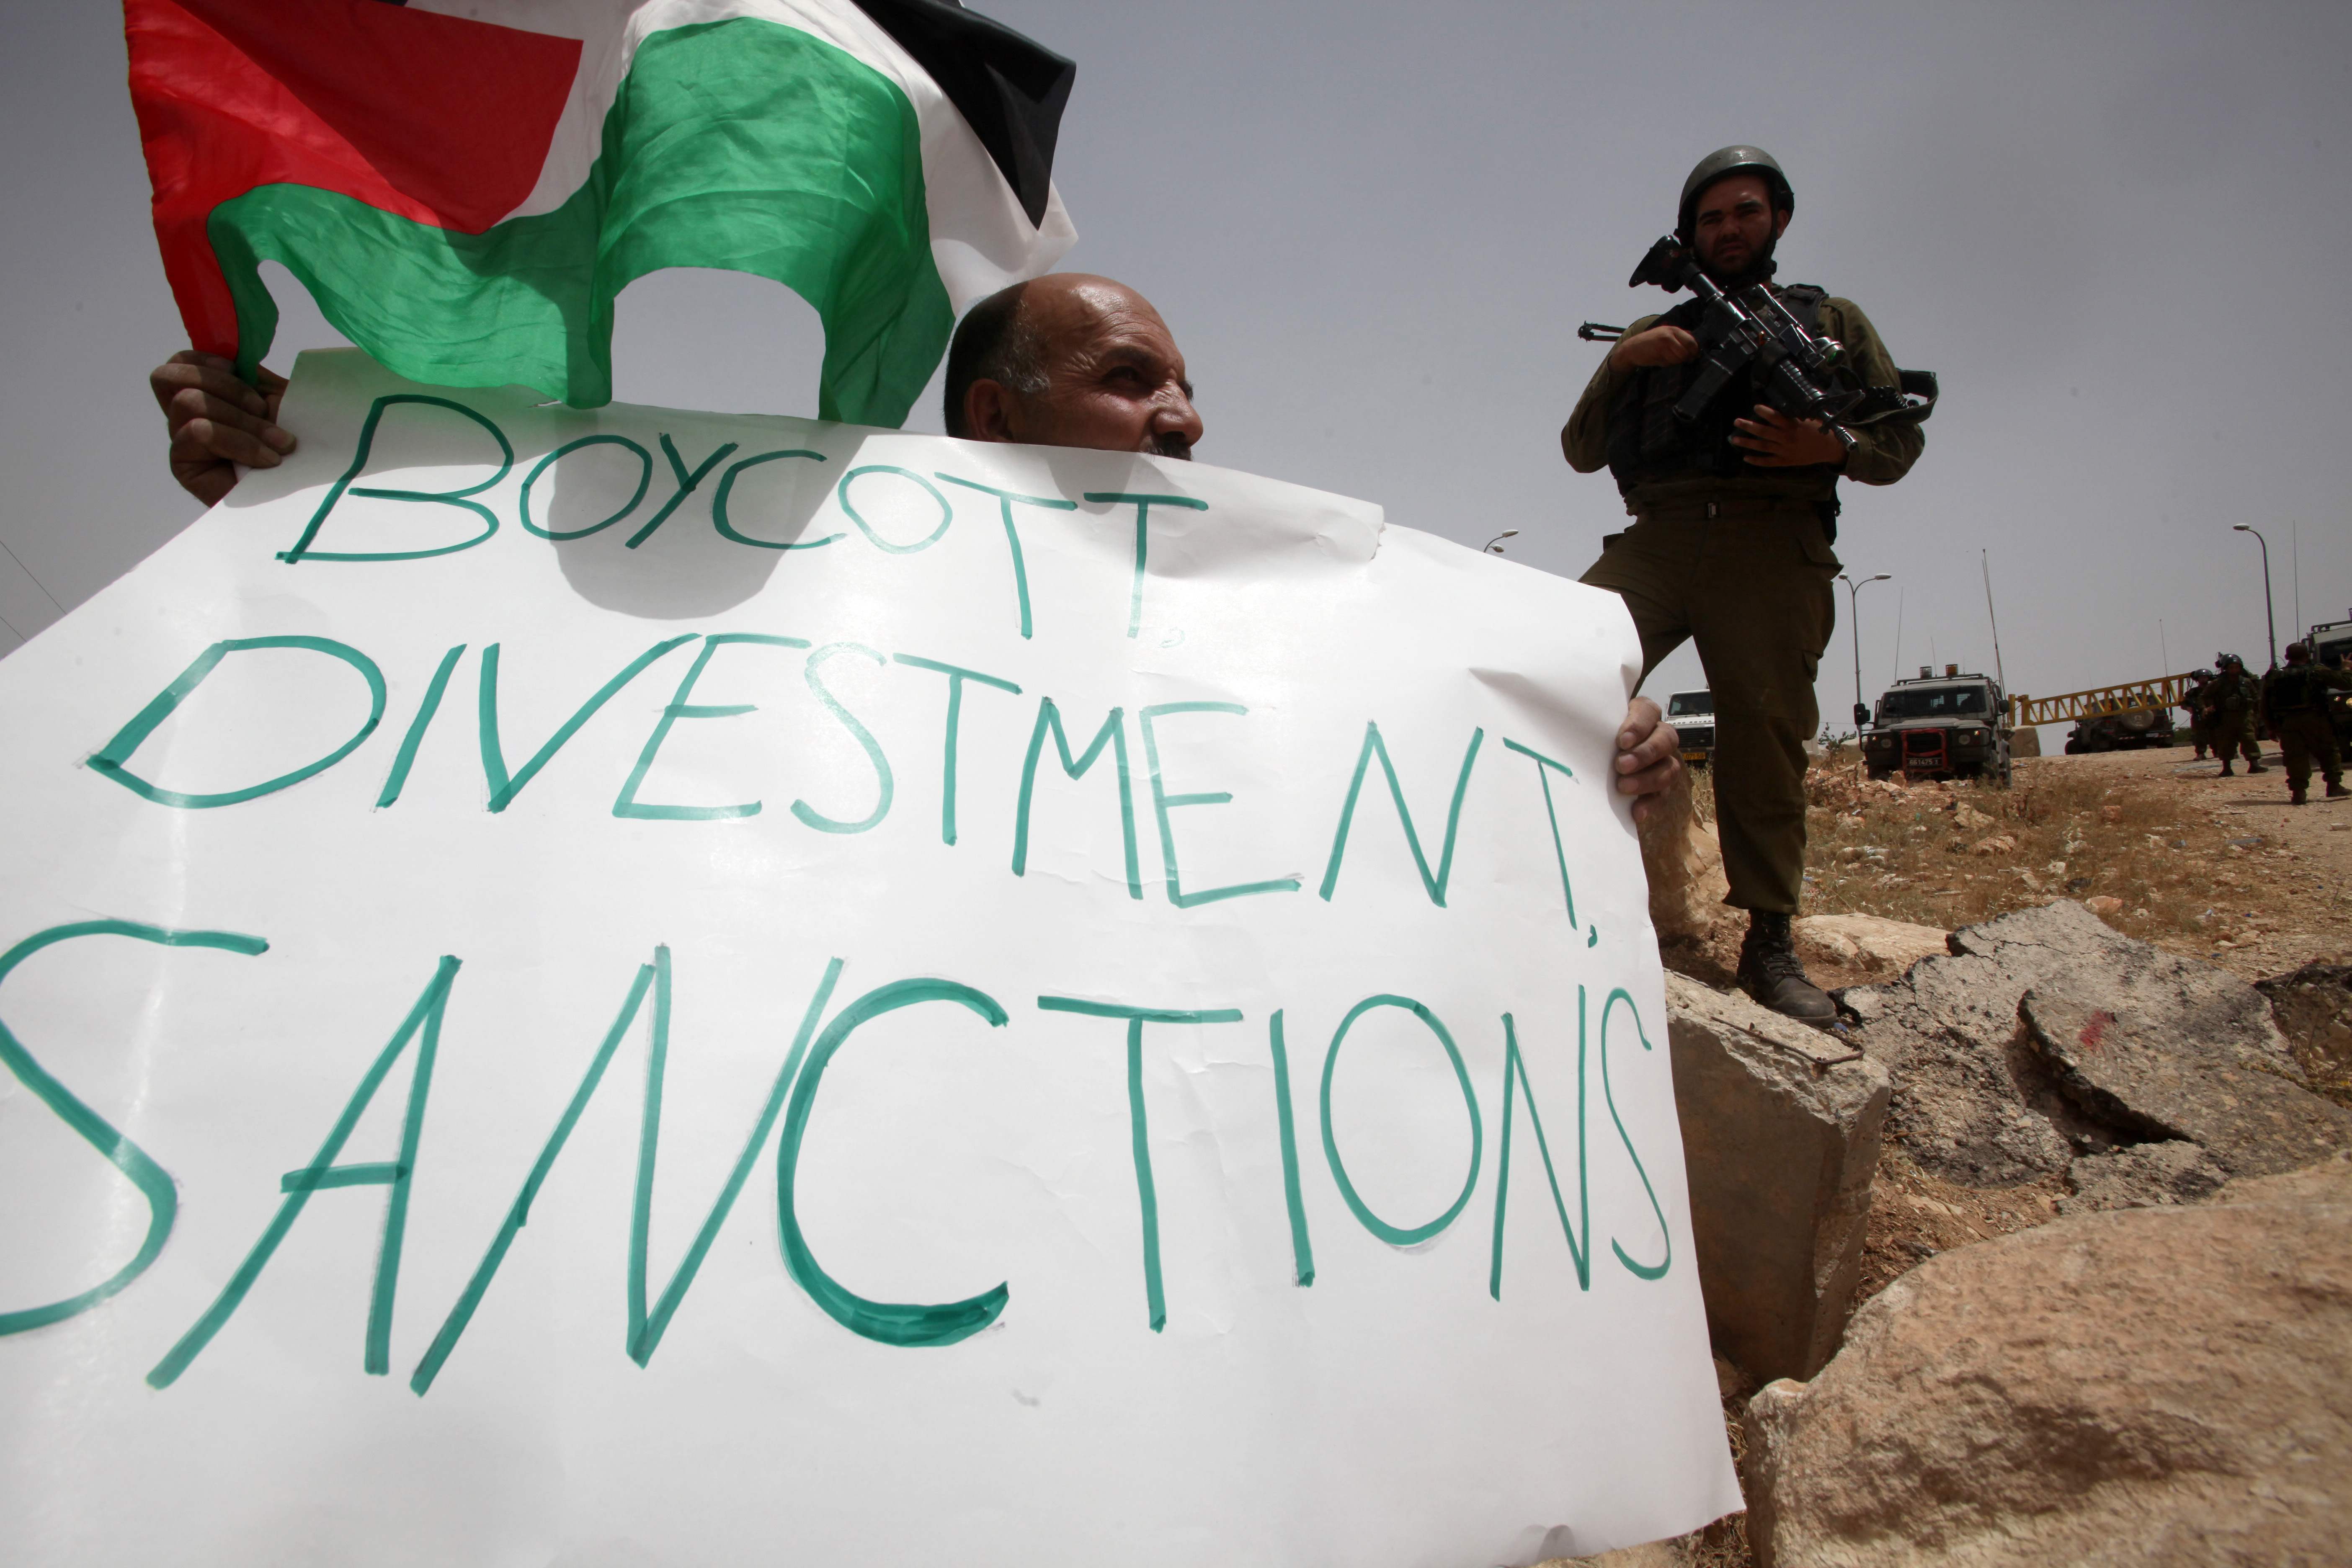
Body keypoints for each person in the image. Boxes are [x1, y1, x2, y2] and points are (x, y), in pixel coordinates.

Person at [150, 273, 1686, 820]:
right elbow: (537, 674)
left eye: (1188, 384)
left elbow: (1387, 764)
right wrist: (291, 491)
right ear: (995, 414)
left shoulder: (1260, 620)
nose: (1188, 421)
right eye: (1132, 380)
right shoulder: (814, 576)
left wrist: (1573, 738)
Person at [1560, 147, 1924, 1024]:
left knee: (1763, 738)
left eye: (1746, 213)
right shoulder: (1656, 335)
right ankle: (1539, 893)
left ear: (1779, 222)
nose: (1728, 230)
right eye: (1712, 218)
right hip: (1662, 536)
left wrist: (1829, 448)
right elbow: (1579, 450)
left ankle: (1768, 945)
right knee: (1554, 665)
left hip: (1769, 539)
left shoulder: (1832, 320)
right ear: (1690, 233)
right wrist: (1625, 364)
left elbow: (1898, 442)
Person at [2260, 641, 2350, 805]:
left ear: (2287, 657)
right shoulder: (2318, 671)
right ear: (2307, 655)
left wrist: (2271, 727)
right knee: (2328, 751)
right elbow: (2345, 684)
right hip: (2316, 719)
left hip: (2287, 723)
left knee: (2295, 756)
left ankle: (2299, 792)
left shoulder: (2275, 675)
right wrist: (2346, 669)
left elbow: (2265, 704)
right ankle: (2334, 786)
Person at [2207, 653, 2267, 776]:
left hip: (2244, 717)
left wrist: (2257, 713)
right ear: (2226, 669)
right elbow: (2204, 696)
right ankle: (2227, 768)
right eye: (2231, 668)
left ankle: (2254, 765)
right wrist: (2207, 708)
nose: (2234, 670)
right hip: (2225, 718)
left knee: (2249, 739)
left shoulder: (2246, 682)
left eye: (2236, 667)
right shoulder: (2218, 683)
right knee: (2226, 742)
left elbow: (2256, 698)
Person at [2179, 668, 2215, 760]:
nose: (2203, 679)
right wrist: (2188, 708)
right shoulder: (2193, 692)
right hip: (2198, 716)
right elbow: (2184, 703)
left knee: (2216, 734)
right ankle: (2201, 753)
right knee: (2200, 736)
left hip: (2213, 715)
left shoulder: (2214, 689)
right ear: (2197, 680)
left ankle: (2217, 752)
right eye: (2201, 678)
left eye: (2205, 677)